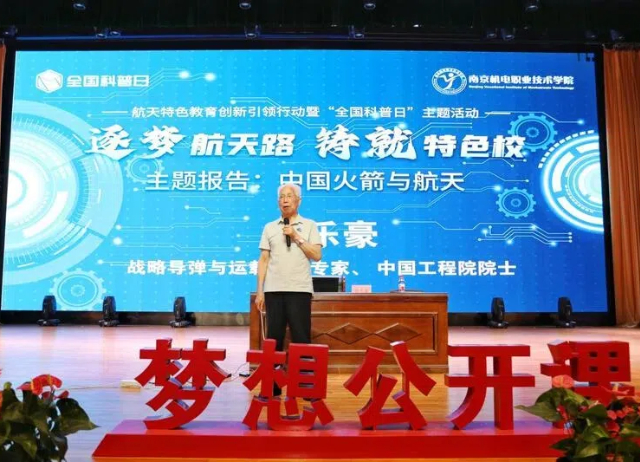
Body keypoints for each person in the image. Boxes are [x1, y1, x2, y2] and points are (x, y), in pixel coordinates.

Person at [255, 183, 323, 358]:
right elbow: (263, 260)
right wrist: (260, 291)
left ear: (298, 201)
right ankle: (273, 375)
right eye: (281, 197)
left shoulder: (309, 225)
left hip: (299, 289)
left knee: (301, 336)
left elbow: (316, 255)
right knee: (273, 338)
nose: (285, 200)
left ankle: (303, 374)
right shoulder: (270, 227)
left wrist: (295, 236)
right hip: (273, 289)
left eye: (289, 196)